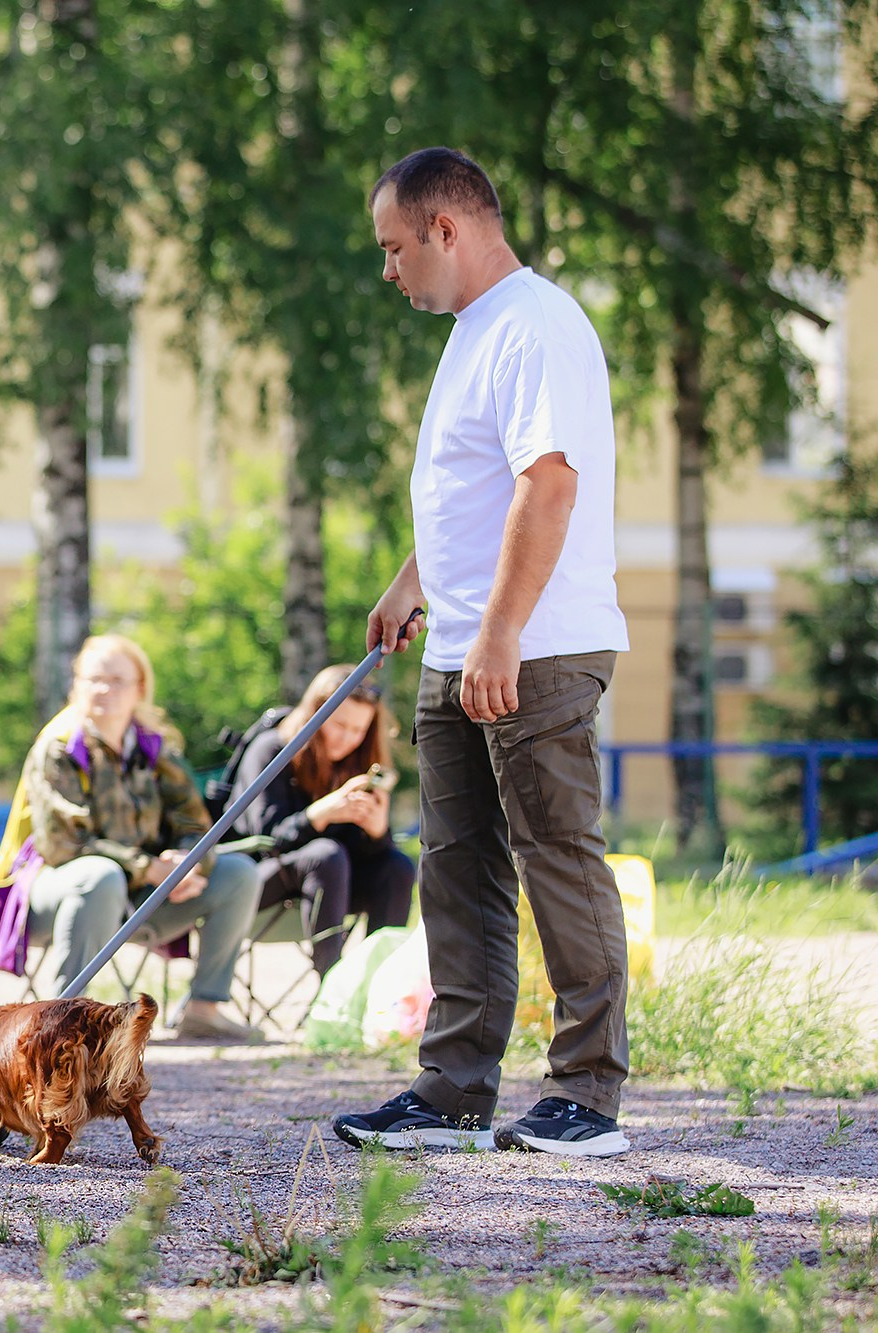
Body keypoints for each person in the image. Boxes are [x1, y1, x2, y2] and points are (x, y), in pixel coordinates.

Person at [334, 147, 632, 1159]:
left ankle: (586, 1095)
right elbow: (476, 487)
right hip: (460, 645)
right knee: (454, 871)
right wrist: (412, 579)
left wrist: (499, 630)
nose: (387, 271)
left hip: (530, 648)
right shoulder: (474, 331)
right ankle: (451, 1091)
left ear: (444, 230)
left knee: (556, 858)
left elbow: (545, 486)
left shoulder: (534, 325)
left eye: (392, 248)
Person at [10, 634, 262, 1042]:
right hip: (60, 894)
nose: (103, 689)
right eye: (93, 679)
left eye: (116, 680)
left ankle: (203, 1009)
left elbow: (195, 823)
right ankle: (66, 1021)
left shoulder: (155, 748)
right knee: (99, 874)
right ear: (75, 685)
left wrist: (187, 863)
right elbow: (67, 844)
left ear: (140, 689)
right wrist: (150, 868)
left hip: (143, 896)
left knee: (237, 872)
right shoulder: (59, 748)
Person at [228, 664, 416, 978]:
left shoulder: (358, 764)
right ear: (315, 715)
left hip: (330, 884)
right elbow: (267, 837)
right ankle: (331, 986)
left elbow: (366, 855)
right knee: (326, 854)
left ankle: (375, 986)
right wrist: (322, 812)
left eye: (358, 731)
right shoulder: (271, 750)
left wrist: (377, 831)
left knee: (398, 867)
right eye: (339, 725)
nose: (348, 739)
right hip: (254, 880)